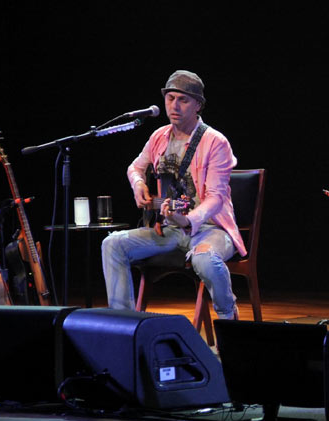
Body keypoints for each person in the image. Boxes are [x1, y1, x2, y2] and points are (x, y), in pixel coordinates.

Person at [102, 70, 246, 319]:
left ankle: (229, 319)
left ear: (198, 105)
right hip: (169, 230)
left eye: (183, 99)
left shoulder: (215, 142)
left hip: (211, 229)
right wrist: (138, 185)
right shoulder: (159, 136)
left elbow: (215, 197)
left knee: (206, 260)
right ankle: (123, 323)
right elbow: (135, 167)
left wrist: (189, 220)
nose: (174, 105)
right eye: (170, 98)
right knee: (112, 243)